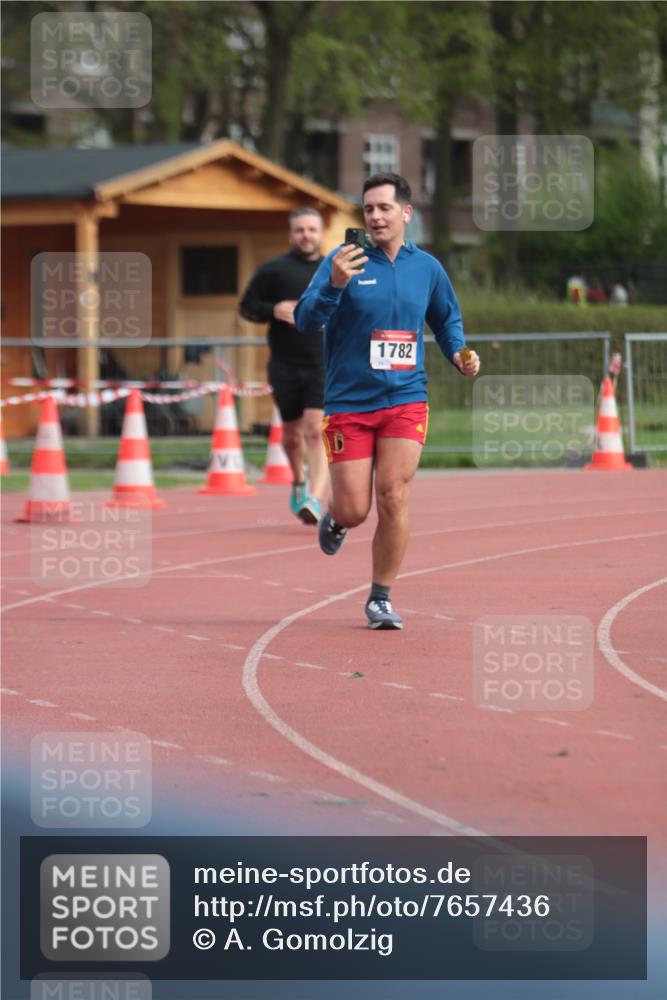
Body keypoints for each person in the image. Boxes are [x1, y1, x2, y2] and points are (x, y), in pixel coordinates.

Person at [294, 172, 480, 630]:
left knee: (394, 497)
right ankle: (337, 519)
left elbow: (446, 319)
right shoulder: (342, 261)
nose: (375, 216)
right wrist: (335, 284)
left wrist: (458, 352)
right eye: (368, 209)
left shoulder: (427, 269)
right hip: (350, 404)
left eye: (384, 208)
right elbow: (304, 318)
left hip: (405, 398)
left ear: (406, 214)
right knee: (356, 509)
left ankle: (380, 597)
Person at [239, 207, 328, 524]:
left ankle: (316, 500)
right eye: (300, 230)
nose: (306, 235)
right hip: (285, 363)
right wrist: (274, 309)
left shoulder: (334, 270)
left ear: (322, 233)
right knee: (291, 435)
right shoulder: (273, 270)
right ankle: (298, 481)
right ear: (291, 235)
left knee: (315, 431)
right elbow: (246, 307)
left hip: (322, 362)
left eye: (312, 230)